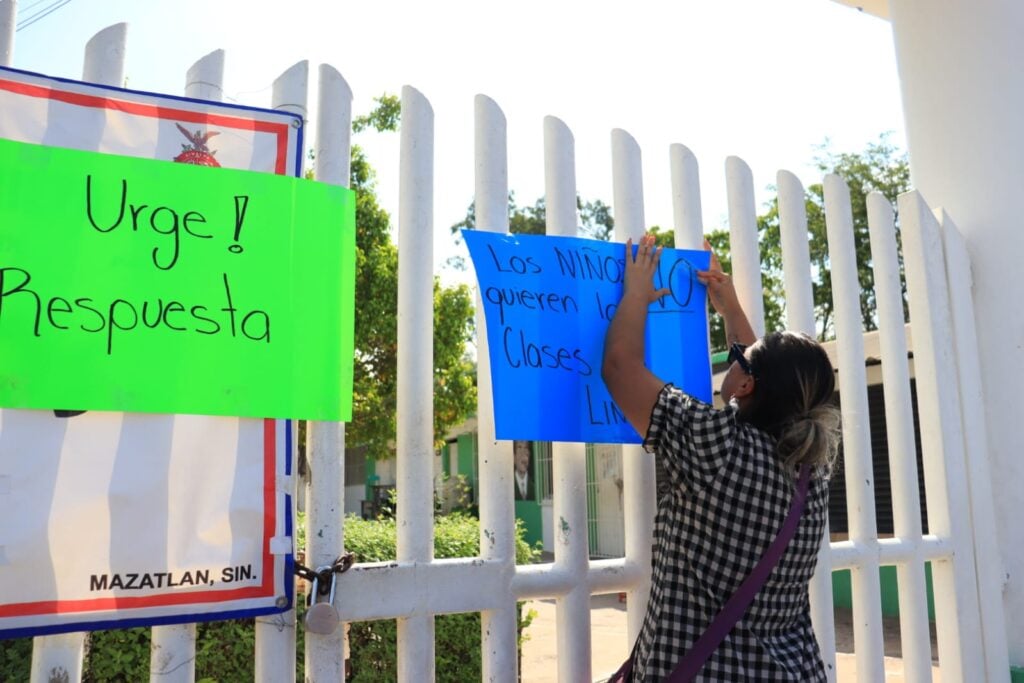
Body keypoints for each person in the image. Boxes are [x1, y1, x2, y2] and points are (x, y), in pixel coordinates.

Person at [601, 234, 841, 681]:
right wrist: (729, 309)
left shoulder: (716, 445)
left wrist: (635, 294)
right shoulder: (812, 472)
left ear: (746, 384)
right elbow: (765, 379)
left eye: (740, 361)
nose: (731, 361)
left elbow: (619, 367)